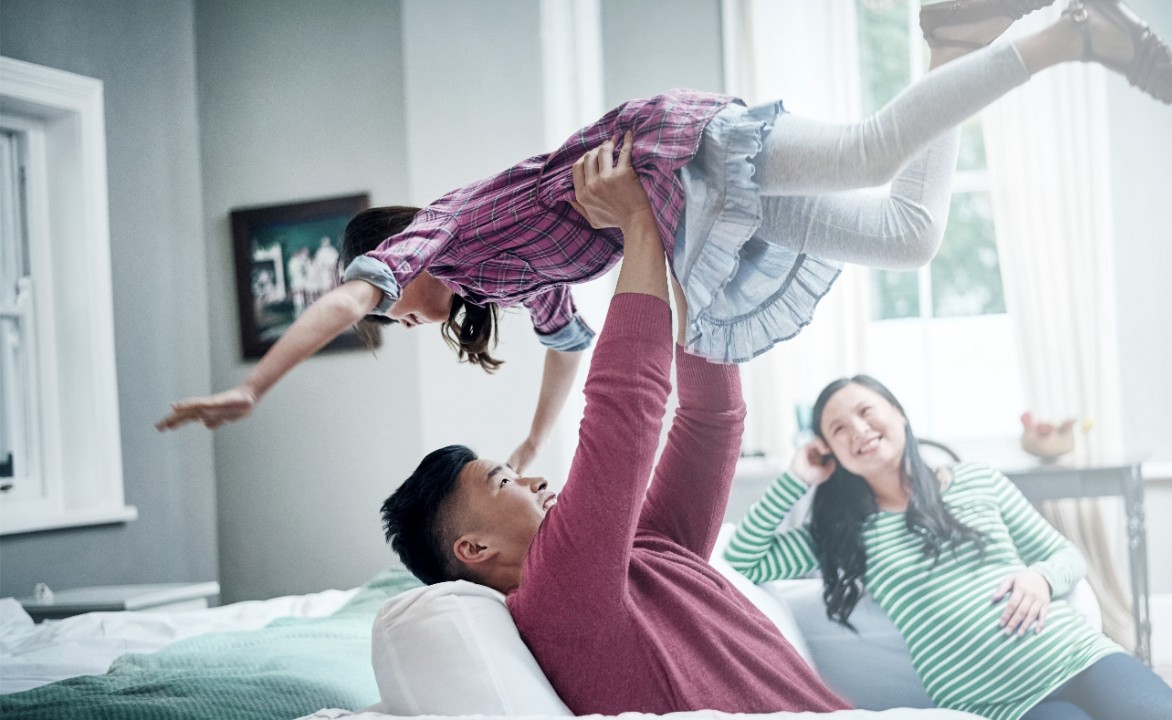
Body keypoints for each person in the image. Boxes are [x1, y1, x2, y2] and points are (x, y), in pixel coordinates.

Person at [157, 0, 1172, 475]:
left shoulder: (443, 226)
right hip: (692, 211)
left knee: (872, 153)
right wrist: (526, 441)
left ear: (393, 251)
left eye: (396, 295)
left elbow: (345, 299)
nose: (406, 314)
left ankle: (1058, 33)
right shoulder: (503, 279)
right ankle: (958, 37)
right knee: (908, 235)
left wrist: (259, 384)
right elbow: (568, 352)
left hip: (676, 158)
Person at [376, 139, 980, 718]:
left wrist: (686, 247)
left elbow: (710, 425)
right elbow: (624, 418)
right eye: (504, 480)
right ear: (475, 550)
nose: (531, 481)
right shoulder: (554, 598)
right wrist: (637, 224)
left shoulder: (645, 550)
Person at [723, 375, 1172, 720]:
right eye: (838, 429)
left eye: (866, 412)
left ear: (899, 415)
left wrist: (1039, 576)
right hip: (997, 704)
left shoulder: (976, 480)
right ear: (828, 451)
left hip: (1074, 656)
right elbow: (742, 560)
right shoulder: (844, 532)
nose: (857, 431)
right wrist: (796, 478)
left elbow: (1066, 556)